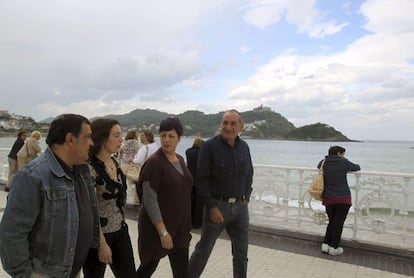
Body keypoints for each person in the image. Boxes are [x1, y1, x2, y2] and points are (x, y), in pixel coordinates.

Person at [0, 114, 100, 277]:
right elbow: (11, 234)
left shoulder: (82, 171)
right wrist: (27, 275)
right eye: (88, 137)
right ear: (70, 139)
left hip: (72, 271)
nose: (92, 143)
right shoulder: (32, 176)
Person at [189, 110, 254, 278]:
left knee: (241, 254)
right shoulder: (209, 147)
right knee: (203, 250)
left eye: (233, 124)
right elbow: (201, 180)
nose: (228, 127)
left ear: (241, 126)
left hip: (241, 208)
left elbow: (249, 173)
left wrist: (247, 196)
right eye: (225, 123)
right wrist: (211, 207)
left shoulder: (244, 147)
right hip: (218, 207)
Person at [136, 117, 192, 278]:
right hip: (158, 228)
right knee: (147, 269)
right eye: (163, 135)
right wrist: (163, 232)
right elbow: (149, 199)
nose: (166, 140)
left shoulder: (181, 160)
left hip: (179, 228)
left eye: (171, 136)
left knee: (182, 273)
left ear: (179, 138)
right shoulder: (154, 162)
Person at [83, 118, 136, 278]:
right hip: (98, 237)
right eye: (117, 135)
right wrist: (101, 244)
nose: (122, 139)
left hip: (120, 230)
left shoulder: (115, 162)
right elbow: (89, 210)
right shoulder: (89, 168)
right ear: (103, 138)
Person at [320, 145, 360, 256]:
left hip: (328, 198)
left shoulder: (324, 162)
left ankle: (325, 245)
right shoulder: (343, 162)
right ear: (338, 153)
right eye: (343, 154)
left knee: (332, 222)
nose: (343, 156)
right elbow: (357, 167)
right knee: (338, 223)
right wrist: (344, 161)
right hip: (343, 198)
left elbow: (319, 166)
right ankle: (334, 247)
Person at [185, 136, 205, 229]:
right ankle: (197, 223)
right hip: (199, 179)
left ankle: (188, 220)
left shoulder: (188, 151)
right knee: (198, 203)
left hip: (189, 178)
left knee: (189, 201)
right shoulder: (201, 153)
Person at [118, 130, 140, 204]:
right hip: (132, 164)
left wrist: (119, 161)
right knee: (134, 181)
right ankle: (135, 200)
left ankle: (124, 198)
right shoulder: (136, 143)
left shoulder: (124, 143)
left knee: (124, 182)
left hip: (123, 164)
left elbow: (119, 153)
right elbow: (138, 153)